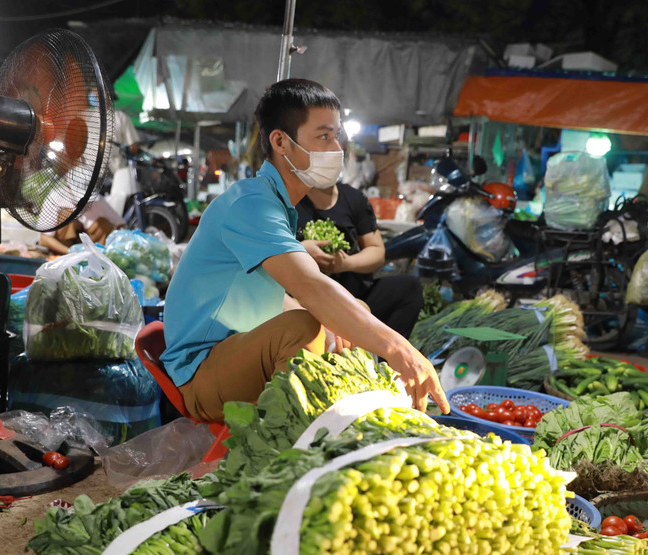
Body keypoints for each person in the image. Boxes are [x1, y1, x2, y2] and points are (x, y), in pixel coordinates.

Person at [161, 78, 448, 422]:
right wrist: (401, 351)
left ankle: (346, 416)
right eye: (324, 136)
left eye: (337, 135)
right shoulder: (251, 204)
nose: (337, 147)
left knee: (348, 310)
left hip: (236, 348)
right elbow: (310, 286)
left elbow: (275, 295)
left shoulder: (277, 204)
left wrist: (338, 324)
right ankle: (300, 439)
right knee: (303, 327)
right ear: (280, 141)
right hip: (201, 374)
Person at [295, 179, 424, 339]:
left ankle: (386, 359)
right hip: (307, 300)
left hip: (354, 295)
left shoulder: (353, 198)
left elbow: (377, 252)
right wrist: (300, 252)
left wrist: (345, 264)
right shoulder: (288, 200)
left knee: (408, 288)